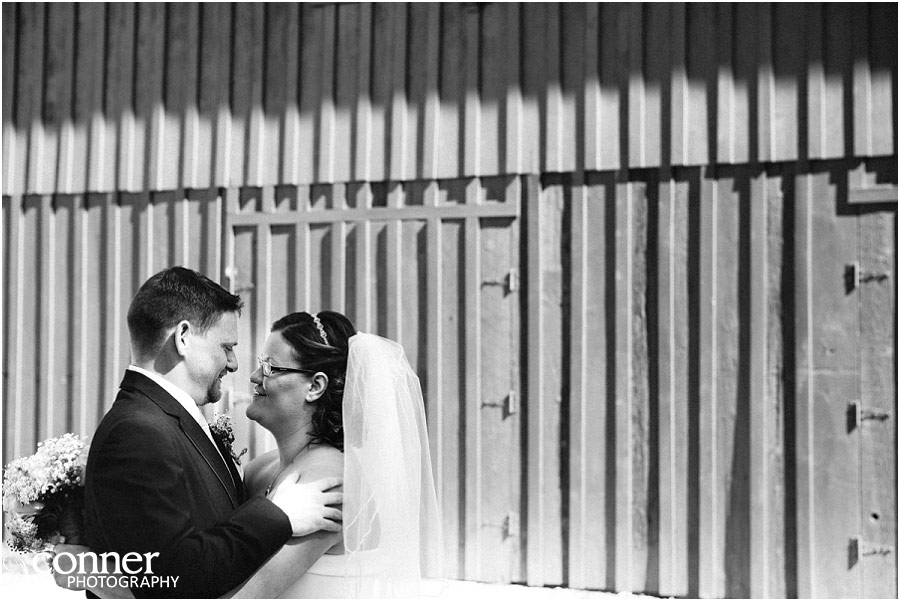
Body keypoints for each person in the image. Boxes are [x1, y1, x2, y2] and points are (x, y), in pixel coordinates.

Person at [78, 267, 343, 598]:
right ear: (183, 337)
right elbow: (171, 576)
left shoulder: (163, 422)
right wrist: (279, 515)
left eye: (271, 367)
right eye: (227, 346)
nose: (237, 366)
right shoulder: (139, 432)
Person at [220, 310, 444, 598]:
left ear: (315, 387)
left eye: (269, 367)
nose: (253, 376)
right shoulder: (261, 468)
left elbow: (251, 594)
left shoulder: (330, 481)